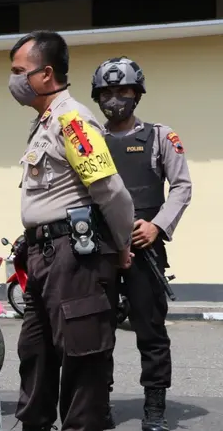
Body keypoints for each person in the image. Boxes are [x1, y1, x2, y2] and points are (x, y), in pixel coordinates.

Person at [8, 30, 135, 431]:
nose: (12, 80)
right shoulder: (44, 122)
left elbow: (112, 193)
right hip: (43, 254)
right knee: (36, 352)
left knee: (82, 357)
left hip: (73, 256)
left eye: (18, 71)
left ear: (46, 75)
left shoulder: (73, 120)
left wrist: (122, 245)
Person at [91, 57, 192, 431]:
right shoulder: (91, 141)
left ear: (137, 94)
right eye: (107, 93)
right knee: (97, 333)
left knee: (150, 330)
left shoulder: (161, 137)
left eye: (123, 91)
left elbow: (182, 186)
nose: (115, 98)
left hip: (146, 250)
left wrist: (158, 227)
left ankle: (154, 409)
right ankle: (98, 405)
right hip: (99, 251)